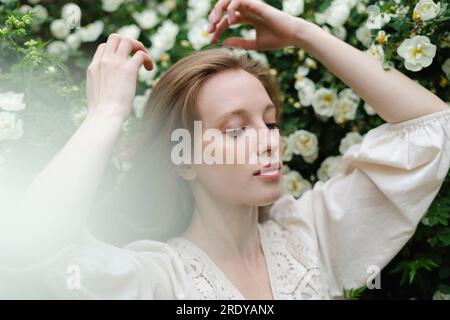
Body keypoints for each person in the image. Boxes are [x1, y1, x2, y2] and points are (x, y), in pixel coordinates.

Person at [1, 0, 449, 300]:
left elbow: (430, 129)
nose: (267, 140)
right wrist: (105, 115)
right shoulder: (156, 280)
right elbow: (31, 246)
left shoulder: (311, 240)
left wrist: (300, 32)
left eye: (270, 122)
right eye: (235, 130)